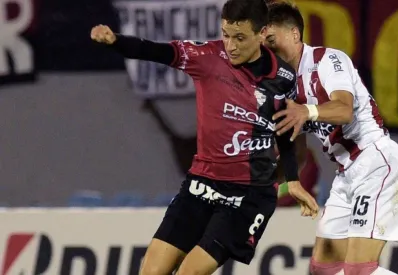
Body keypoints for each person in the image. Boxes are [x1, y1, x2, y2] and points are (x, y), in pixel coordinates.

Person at [91, 0, 319, 274]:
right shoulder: (208, 56)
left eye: (240, 37)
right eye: (225, 34)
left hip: (248, 196)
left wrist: (292, 180)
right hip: (202, 185)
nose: (230, 45)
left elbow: (284, 132)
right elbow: (155, 51)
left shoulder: (283, 77)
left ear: (261, 33)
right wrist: (115, 40)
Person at [264, 2, 398, 275]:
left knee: (359, 270)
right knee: (322, 269)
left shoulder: (328, 60)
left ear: (295, 34)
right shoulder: (285, 86)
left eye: (272, 40)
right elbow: (296, 155)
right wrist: (265, 184)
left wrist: (306, 111)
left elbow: (343, 110)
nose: (268, 51)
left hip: (376, 161)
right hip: (346, 176)